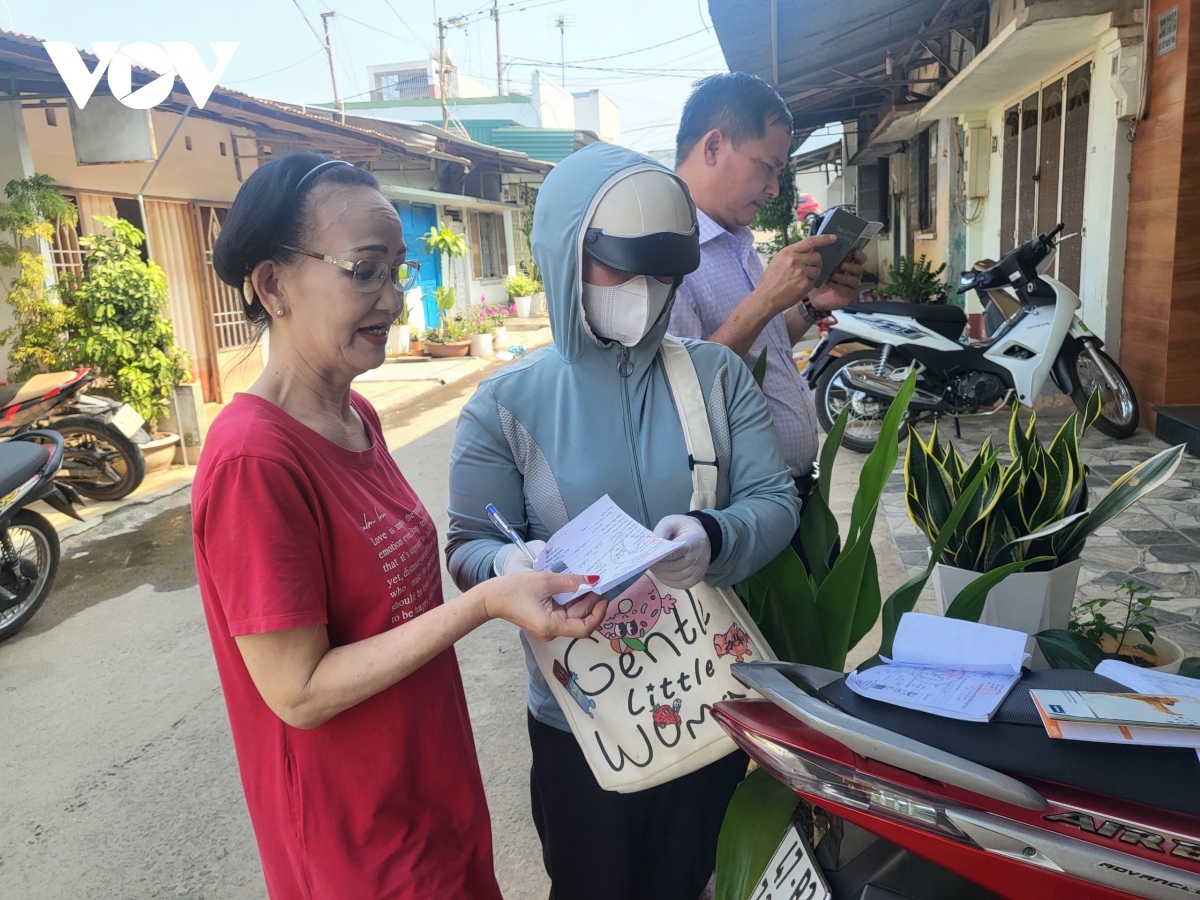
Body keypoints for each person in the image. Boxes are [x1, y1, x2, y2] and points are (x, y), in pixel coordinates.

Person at [192, 152, 606, 900]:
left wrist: (506, 575)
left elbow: (396, 603)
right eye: (364, 270)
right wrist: (481, 605)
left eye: (397, 270)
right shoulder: (254, 459)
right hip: (357, 843)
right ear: (272, 284)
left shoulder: (357, 416)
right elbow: (299, 691)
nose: (392, 298)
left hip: (429, 791)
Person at [446, 142, 800, 900]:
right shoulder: (506, 406)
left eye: (665, 271)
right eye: (620, 266)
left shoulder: (715, 376)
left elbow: (775, 499)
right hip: (582, 712)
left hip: (702, 689)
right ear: (566, 253)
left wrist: (715, 538)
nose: (644, 289)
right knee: (591, 883)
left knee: (696, 877)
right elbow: (468, 544)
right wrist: (509, 568)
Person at [671, 72, 866, 494]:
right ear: (714, 146)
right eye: (767, 166)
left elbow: (763, 346)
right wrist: (764, 300)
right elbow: (683, 389)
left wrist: (813, 305)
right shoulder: (667, 253)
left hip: (790, 493)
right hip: (741, 509)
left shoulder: (736, 241)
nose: (775, 188)